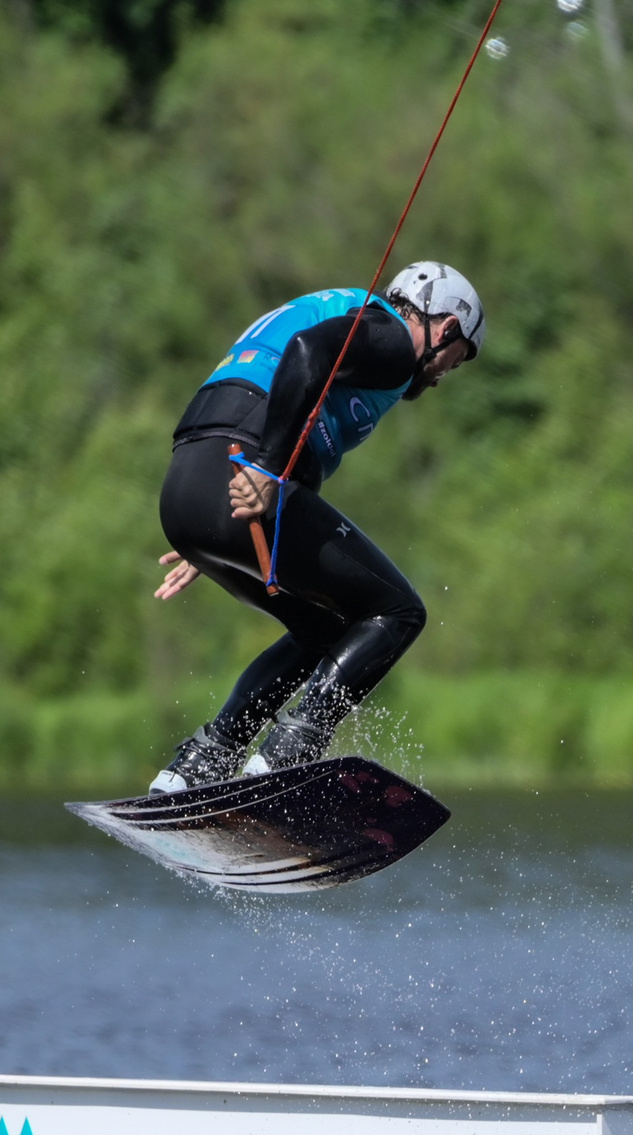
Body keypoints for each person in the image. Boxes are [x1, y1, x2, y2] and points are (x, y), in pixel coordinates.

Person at [146, 262, 484, 791]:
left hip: (189, 491)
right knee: (398, 611)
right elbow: (307, 352)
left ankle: (199, 766)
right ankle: (289, 752)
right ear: (445, 330)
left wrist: (214, 521)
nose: (441, 376)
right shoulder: (394, 338)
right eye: (454, 361)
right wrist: (264, 472)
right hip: (244, 469)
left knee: (324, 629)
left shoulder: (350, 311)